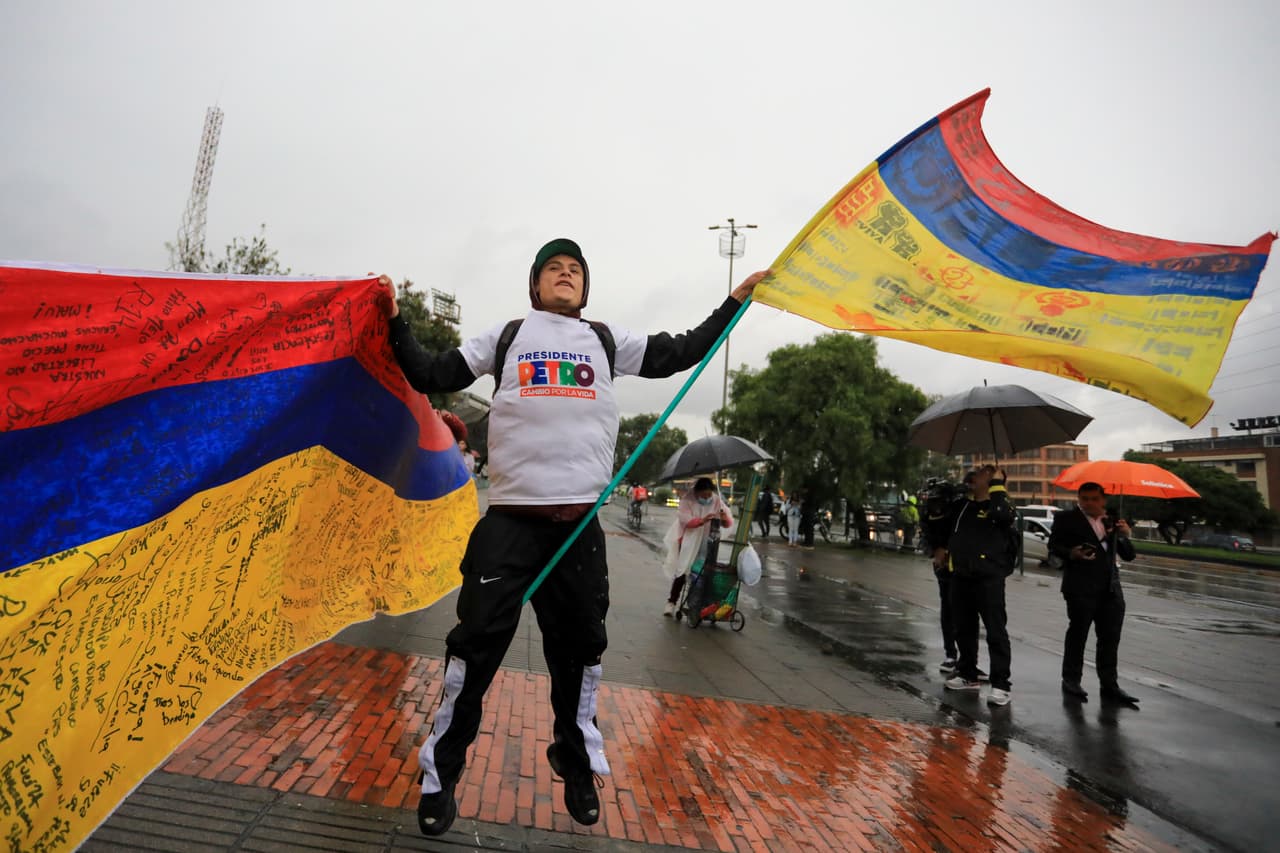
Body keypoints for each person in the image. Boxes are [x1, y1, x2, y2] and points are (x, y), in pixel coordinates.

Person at [382, 238, 768, 836]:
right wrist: (393, 318)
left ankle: (576, 761)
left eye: (575, 271)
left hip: (578, 528)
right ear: (535, 286)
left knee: (581, 652)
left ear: (585, 288)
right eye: (553, 270)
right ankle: (441, 776)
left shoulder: (606, 340)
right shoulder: (507, 336)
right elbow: (429, 372)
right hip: (509, 525)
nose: (565, 275)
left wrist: (735, 301)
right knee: (473, 650)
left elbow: (684, 352)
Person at [932, 465, 1017, 706]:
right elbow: (940, 523)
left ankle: (1001, 683)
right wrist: (939, 548)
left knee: (995, 631)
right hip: (960, 575)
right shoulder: (963, 506)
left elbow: (1003, 515)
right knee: (964, 627)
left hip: (989, 578)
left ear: (994, 479)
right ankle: (968, 673)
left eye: (984, 471)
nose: (977, 472)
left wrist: (998, 486)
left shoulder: (1000, 505)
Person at [1048, 482, 1139, 706]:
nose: (1088, 503)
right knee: (1078, 634)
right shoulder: (1066, 519)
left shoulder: (1113, 520)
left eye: (1093, 499)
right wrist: (1072, 553)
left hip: (1111, 589)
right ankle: (1071, 680)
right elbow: (1053, 547)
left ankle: (1110, 685)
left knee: (1110, 639)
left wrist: (1124, 535)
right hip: (1080, 587)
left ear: (1103, 500)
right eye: (1084, 498)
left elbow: (1129, 555)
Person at [661, 477, 734, 616]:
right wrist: (702, 520)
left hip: (708, 541)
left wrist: (724, 517)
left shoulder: (717, 500)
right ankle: (671, 602)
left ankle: (698, 603)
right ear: (697, 492)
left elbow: (727, 523)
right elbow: (685, 520)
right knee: (683, 570)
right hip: (688, 540)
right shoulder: (687, 500)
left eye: (709, 495)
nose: (707, 498)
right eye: (703, 495)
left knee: (705, 572)